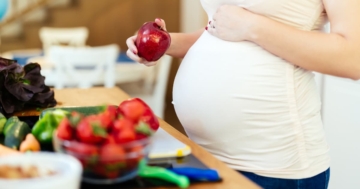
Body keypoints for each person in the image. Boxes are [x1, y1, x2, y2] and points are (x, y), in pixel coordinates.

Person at [126, 0, 360, 188]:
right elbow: (222, 27)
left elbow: (352, 58)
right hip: (205, 156)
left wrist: (252, 26)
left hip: (272, 170)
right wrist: (167, 43)